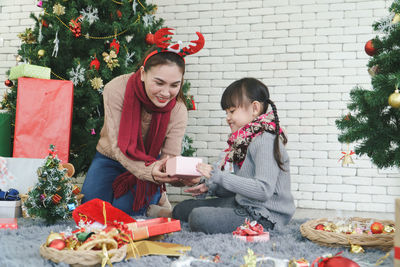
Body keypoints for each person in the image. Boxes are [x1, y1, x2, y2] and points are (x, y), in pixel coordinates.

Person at [81, 28, 205, 217]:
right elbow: (117, 146)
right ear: (142, 74)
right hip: (110, 158)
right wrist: (151, 171)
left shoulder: (178, 109)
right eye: (159, 82)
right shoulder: (116, 89)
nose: (166, 93)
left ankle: (157, 195)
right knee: (92, 213)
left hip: (149, 163)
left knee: (126, 215)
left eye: (174, 85)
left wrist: (184, 178)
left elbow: (169, 159)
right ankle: (157, 197)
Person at [172, 78, 296, 234]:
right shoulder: (243, 143)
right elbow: (239, 187)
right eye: (226, 112)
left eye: (232, 111)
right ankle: (168, 216)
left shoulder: (266, 140)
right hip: (244, 203)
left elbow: (263, 190)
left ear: (255, 108)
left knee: (198, 217)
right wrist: (210, 186)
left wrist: (217, 175)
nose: (227, 117)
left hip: (265, 215)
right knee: (183, 208)